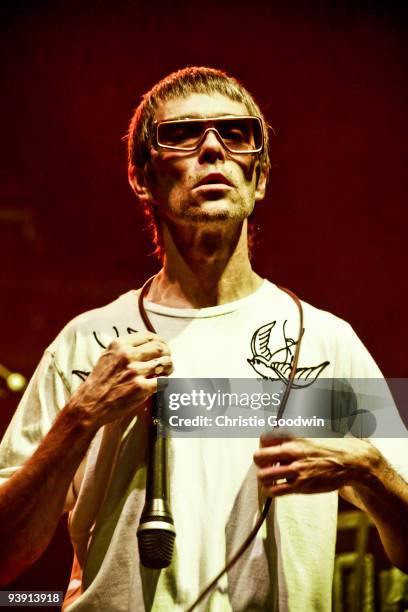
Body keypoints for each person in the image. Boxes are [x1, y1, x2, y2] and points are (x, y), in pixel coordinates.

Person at [0, 66, 407, 612]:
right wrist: (82, 415)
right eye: (183, 135)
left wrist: (369, 470)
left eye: (235, 134)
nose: (213, 149)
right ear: (142, 177)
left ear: (258, 179)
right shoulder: (85, 342)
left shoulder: (328, 343)